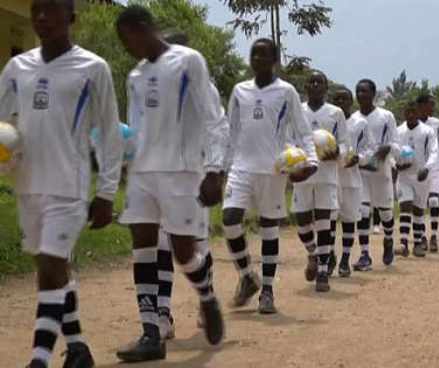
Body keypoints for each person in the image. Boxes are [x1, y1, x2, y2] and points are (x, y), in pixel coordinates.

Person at [0, 1, 123, 366]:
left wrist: (105, 192)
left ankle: (39, 358)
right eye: (37, 10)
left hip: (69, 186)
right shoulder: (16, 67)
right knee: (49, 270)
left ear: (72, 18)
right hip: (27, 185)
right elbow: (3, 124)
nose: (41, 17)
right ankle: (79, 348)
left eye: (51, 10)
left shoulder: (93, 67)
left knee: (52, 266)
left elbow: (111, 134)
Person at [115, 5, 226, 361]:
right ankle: (152, 331)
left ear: (144, 28)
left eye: (127, 36)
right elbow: (134, 128)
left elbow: (214, 119)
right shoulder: (134, 76)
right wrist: (124, 161)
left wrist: (214, 170)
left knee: (182, 251)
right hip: (143, 174)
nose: (126, 46)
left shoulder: (188, 61)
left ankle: (206, 297)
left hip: (181, 171)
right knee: (143, 244)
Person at [223, 38, 318, 314]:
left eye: (264, 55)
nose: (257, 60)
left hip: (274, 169)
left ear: (274, 60)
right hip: (241, 167)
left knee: (269, 228)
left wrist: (310, 160)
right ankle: (246, 275)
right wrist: (221, 167)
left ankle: (267, 291)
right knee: (229, 220)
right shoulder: (239, 90)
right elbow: (231, 131)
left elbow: (302, 130)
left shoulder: (286, 91)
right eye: (254, 54)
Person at [152, 30, 228, 340]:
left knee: (195, 246)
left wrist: (214, 170)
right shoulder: (151, 85)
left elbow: (218, 128)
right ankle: (162, 314)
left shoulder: (203, 87)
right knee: (160, 245)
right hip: (157, 176)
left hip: (193, 176)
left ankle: (205, 300)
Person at [291, 70, 347, 292]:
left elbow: (344, 142)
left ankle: (323, 271)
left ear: (326, 88)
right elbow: (289, 138)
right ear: (306, 87)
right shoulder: (298, 111)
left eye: (319, 82)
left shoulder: (336, 113)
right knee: (302, 220)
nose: (315, 85)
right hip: (303, 172)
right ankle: (313, 253)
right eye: (311, 81)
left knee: (324, 222)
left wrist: (337, 153)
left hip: (326, 174)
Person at [353, 79, 400, 271]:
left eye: (365, 91)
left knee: (385, 212)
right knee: (363, 211)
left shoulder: (386, 116)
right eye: (358, 92)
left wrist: (386, 148)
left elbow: (396, 143)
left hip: (381, 171)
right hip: (361, 172)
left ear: (373, 94)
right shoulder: (353, 119)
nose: (361, 95)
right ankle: (365, 254)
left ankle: (388, 239)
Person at [332, 87, 375, 277]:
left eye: (344, 99)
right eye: (337, 99)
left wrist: (359, 158)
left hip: (351, 179)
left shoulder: (360, 123)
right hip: (330, 178)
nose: (340, 102)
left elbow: (369, 149)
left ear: (351, 102)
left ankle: (344, 259)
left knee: (349, 221)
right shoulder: (328, 119)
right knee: (329, 221)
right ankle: (329, 255)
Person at [395, 102, 439, 257]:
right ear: (404, 113)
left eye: (414, 112)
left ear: (418, 113)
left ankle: (419, 242)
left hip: (422, 175)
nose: (411, 115)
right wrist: (396, 165)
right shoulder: (399, 131)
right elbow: (394, 151)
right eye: (408, 112)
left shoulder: (427, 131)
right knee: (405, 205)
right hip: (404, 175)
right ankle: (404, 243)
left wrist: (427, 168)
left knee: (419, 210)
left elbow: (434, 152)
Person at [416, 94, 439, 252]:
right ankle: (421, 236)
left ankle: (433, 236)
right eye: (430, 104)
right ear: (421, 105)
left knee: (434, 201)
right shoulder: (413, 121)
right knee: (420, 203)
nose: (433, 107)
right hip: (418, 168)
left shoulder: (437, 123)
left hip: (435, 168)